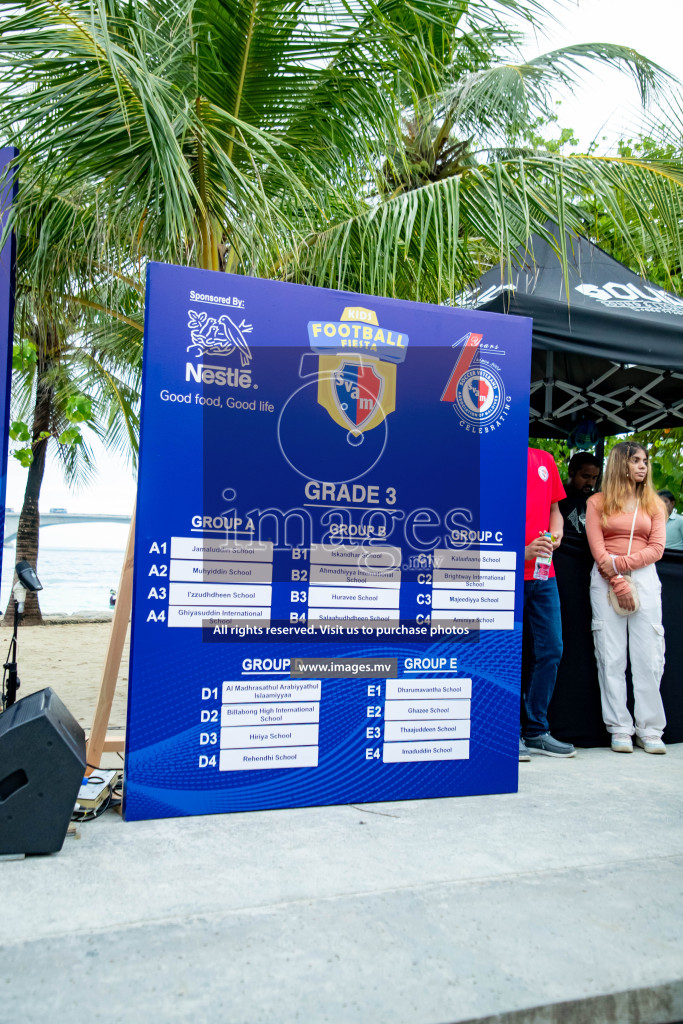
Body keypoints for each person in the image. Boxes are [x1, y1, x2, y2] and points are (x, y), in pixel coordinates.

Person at [586, 442, 667, 754]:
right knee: (611, 654)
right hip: (604, 579)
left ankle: (650, 728)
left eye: (644, 461)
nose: (642, 466)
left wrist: (621, 566)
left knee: (649, 656)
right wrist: (616, 579)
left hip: (643, 577)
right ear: (621, 464)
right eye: (635, 461)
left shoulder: (654, 504)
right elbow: (597, 548)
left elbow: (657, 549)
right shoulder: (597, 502)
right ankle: (619, 726)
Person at [520, 448, 575, 760]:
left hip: (544, 572)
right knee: (505, 651)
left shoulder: (544, 459)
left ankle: (536, 730)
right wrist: (521, 551)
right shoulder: (492, 452)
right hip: (503, 570)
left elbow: (555, 507)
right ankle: (506, 730)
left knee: (551, 648)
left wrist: (557, 533)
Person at [559, 452, 601, 537]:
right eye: (585, 476)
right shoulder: (557, 498)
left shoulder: (598, 500)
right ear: (571, 472)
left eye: (594, 478)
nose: (590, 482)